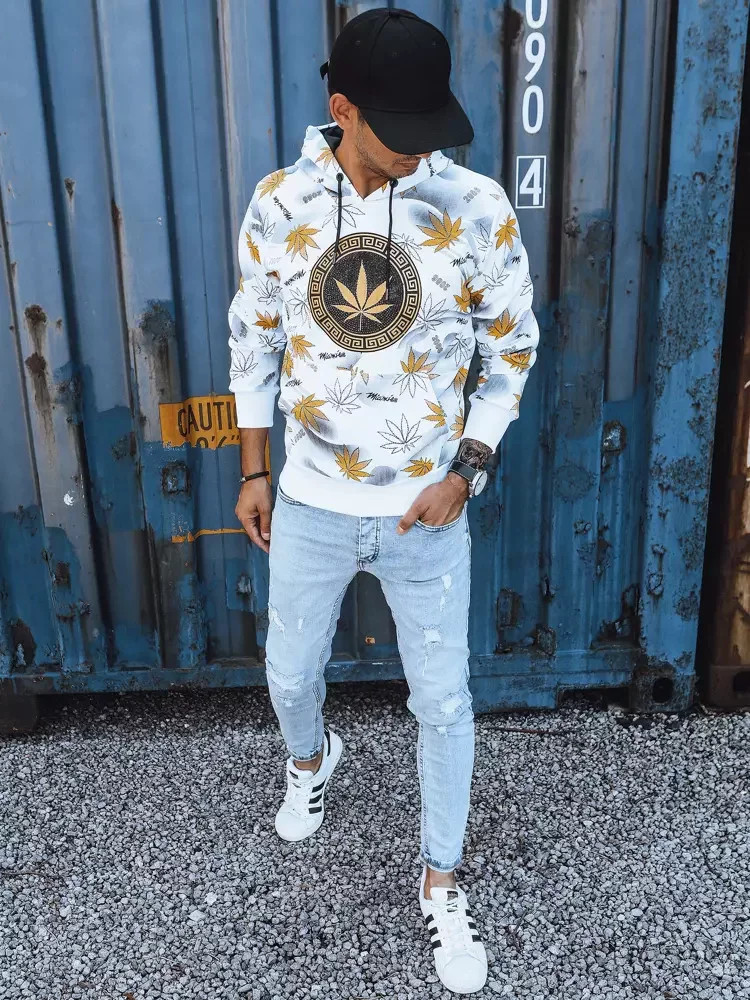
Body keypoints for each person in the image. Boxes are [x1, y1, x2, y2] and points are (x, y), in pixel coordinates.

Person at [228, 8, 539, 994]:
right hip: (311, 503)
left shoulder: (474, 205)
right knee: (288, 675)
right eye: (399, 130)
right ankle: (311, 760)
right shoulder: (279, 203)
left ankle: (441, 878)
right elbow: (254, 343)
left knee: (443, 701)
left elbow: (512, 349)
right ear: (343, 109)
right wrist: (253, 470)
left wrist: (466, 473)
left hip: (427, 513)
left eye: (431, 127)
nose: (420, 150)